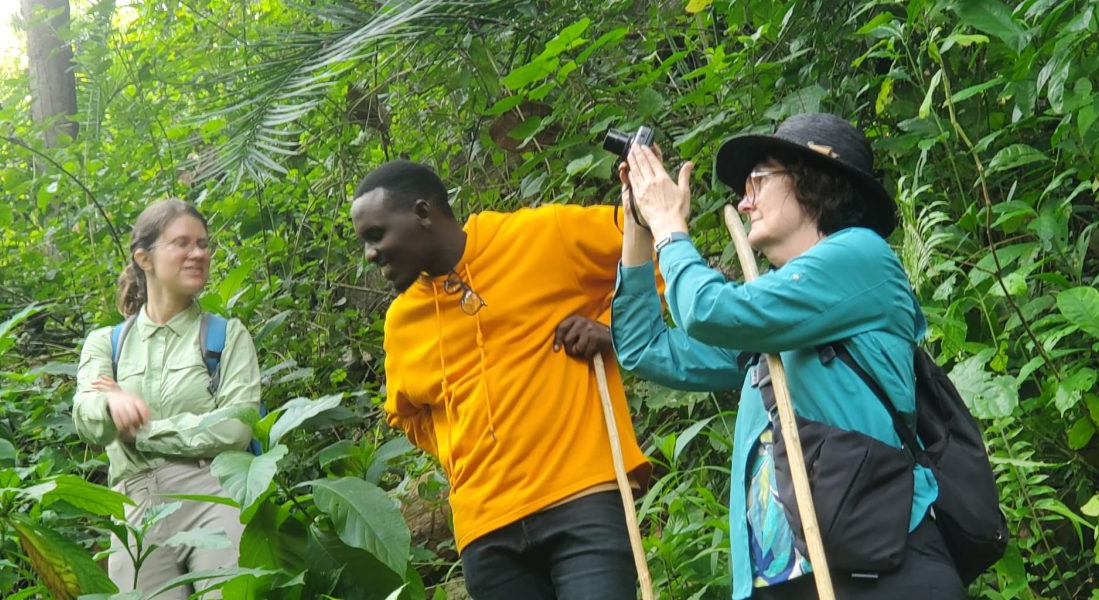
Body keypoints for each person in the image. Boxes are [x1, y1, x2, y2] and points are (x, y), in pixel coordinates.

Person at [612, 113, 964, 599]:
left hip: (880, 568)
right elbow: (644, 347)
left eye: (758, 179)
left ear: (810, 180)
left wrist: (671, 227)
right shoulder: (771, 316)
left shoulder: (862, 257)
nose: (744, 199)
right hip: (784, 582)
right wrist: (640, 224)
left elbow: (706, 310)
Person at [348, 160, 649, 600]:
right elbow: (409, 416)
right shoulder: (401, 323)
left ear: (423, 213)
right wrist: (464, 446)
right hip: (486, 533)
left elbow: (648, 239)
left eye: (376, 235)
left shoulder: (541, 236)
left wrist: (615, 329)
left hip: (581, 497)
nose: (370, 254)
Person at [73, 199, 261, 598]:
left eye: (203, 244)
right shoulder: (106, 344)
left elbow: (236, 426)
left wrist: (140, 432)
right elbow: (86, 415)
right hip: (134, 505)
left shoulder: (227, 337)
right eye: (182, 243)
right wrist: (110, 405)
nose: (198, 254)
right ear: (145, 258)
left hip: (213, 491)